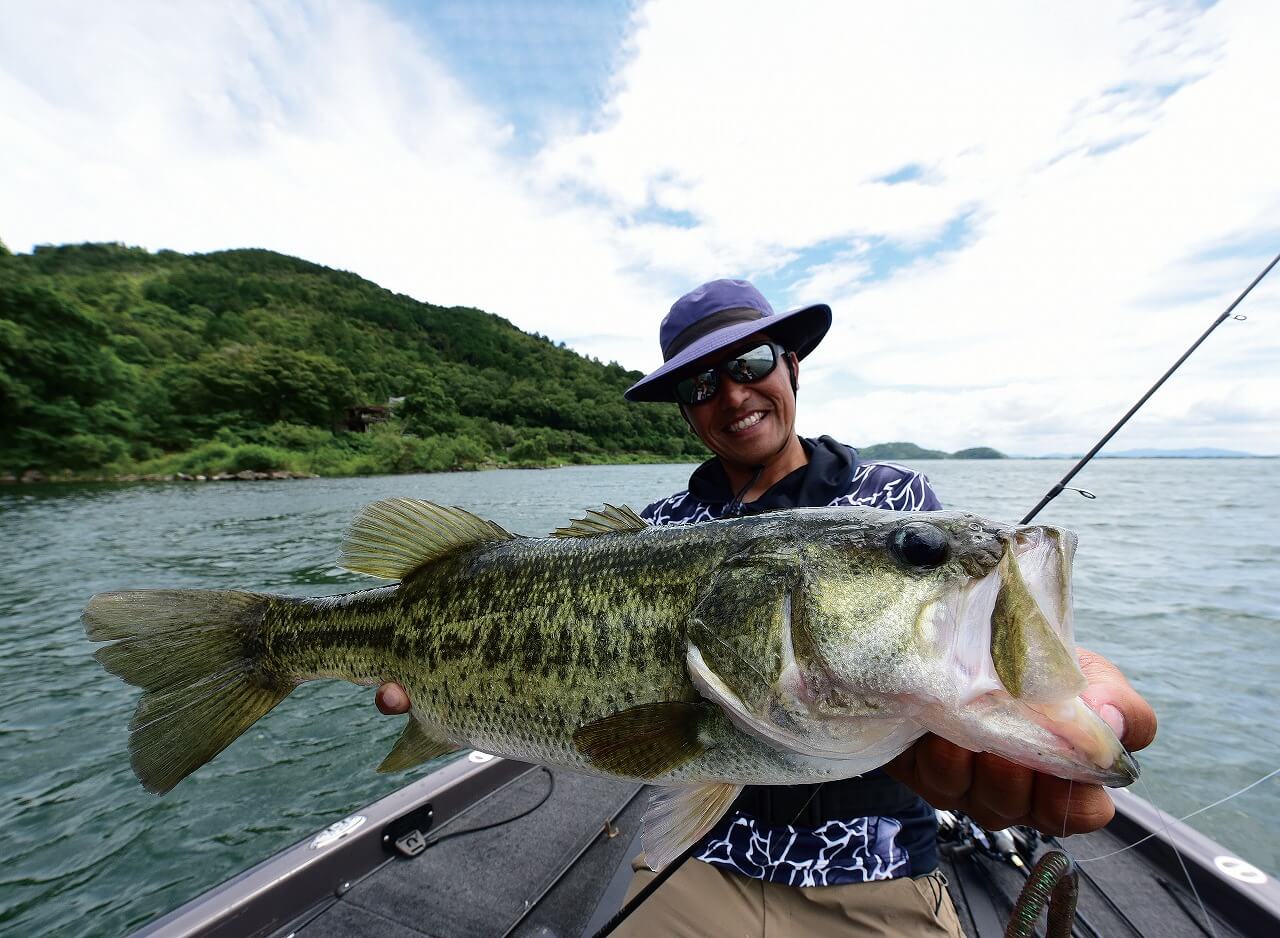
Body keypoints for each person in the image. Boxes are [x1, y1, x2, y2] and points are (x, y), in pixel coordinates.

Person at [375, 279, 1156, 936]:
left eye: (750, 363)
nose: (733, 394)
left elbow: (953, 640)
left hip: (873, 864)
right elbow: (609, 723)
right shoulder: (661, 530)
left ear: (792, 366)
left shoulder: (891, 502)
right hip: (701, 859)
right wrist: (457, 696)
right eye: (700, 383)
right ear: (684, 408)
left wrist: (1052, 692)